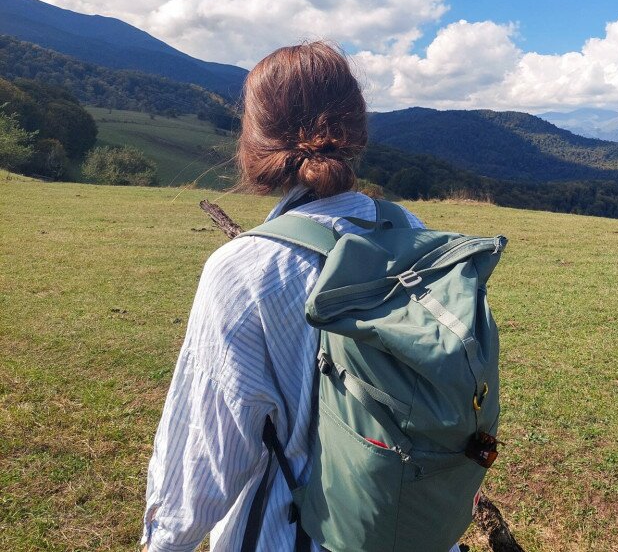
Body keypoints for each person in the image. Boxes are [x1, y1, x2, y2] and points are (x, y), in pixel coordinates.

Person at [140, 42, 455, 551]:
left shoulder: (243, 269)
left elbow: (204, 457)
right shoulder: (411, 229)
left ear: (255, 140)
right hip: (413, 525)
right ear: (356, 131)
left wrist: (161, 542)